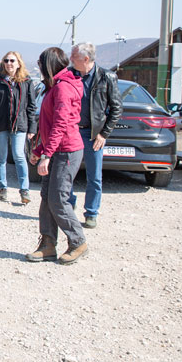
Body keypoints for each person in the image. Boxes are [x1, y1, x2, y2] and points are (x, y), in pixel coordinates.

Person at [26, 47, 88, 264]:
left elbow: (60, 125)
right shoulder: (56, 85)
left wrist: (46, 155)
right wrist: (39, 151)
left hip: (67, 151)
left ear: (48, 65)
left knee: (57, 199)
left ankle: (78, 241)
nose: (39, 68)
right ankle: (48, 244)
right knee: (47, 198)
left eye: (40, 64)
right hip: (56, 150)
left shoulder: (63, 88)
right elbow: (49, 125)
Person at [67, 43, 123, 229]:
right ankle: (68, 205)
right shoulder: (69, 75)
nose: (70, 59)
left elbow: (116, 108)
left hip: (93, 134)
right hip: (72, 131)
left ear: (85, 59)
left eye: (74, 56)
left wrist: (103, 134)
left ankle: (91, 213)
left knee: (94, 177)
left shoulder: (106, 77)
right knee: (66, 172)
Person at [0, 50, 37, 204]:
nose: (9, 63)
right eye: (6, 61)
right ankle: (2, 188)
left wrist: (32, 128)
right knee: (1, 157)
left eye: (12, 61)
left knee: (19, 155)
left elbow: (31, 106)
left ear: (18, 63)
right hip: (0, 124)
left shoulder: (26, 81)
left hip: (19, 124)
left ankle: (24, 190)